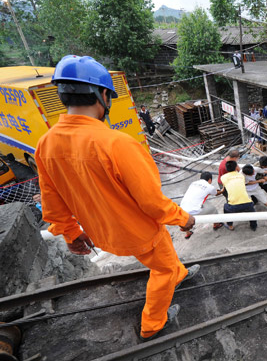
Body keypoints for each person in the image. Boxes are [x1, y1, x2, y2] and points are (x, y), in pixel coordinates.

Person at [35, 55, 198, 342]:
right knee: (163, 268)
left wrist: (72, 234)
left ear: (62, 96)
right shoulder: (118, 143)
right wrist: (185, 219)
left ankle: (179, 274)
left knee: (167, 262)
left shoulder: (46, 143)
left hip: (101, 233)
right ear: (103, 95)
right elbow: (152, 203)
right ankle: (153, 324)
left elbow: (52, 201)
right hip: (139, 233)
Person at [179, 172, 224, 237]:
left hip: (182, 211)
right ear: (210, 179)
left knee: (191, 207)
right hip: (194, 212)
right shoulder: (209, 186)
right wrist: (222, 190)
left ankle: (188, 233)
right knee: (213, 209)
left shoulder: (193, 183)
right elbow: (216, 193)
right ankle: (216, 224)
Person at [221, 160, 257, 231]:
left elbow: (224, 188)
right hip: (247, 204)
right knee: (252, 213)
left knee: (226, 207)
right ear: (236, 167)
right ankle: (254, 226)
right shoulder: (241, 176)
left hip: (233, 207)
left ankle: (230, 225)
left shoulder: (223, 177)